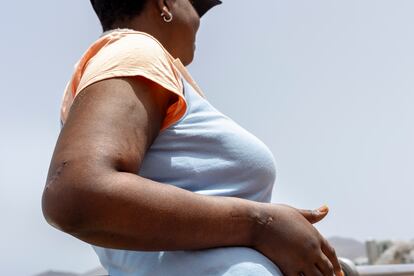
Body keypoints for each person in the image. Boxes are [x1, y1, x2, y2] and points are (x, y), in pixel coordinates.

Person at [41, 0, 343, 275]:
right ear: (165, 3)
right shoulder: (136, 51)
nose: (200, 21)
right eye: (198, 7)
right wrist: (259, 225)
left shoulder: (145, 67)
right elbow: (75, 192)